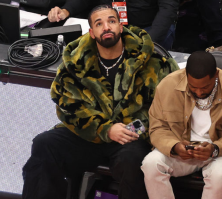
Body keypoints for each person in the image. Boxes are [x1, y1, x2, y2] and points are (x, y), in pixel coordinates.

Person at [23, 5, 179, 199]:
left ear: (121, 27)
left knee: (132, 161)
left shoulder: (152, 60)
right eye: (99, 24)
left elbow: (168, 107)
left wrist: (131, 130)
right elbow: (68, 106)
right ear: (92, 32)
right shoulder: (76, 61)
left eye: (111, 21)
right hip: (90, 134)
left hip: (129, 136)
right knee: (44, 144)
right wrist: (104, 130)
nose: (106, 27)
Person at [141, 51, 222, 199]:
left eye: (205, 87)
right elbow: (157, 127)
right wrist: (174, 146)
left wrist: (215, 149)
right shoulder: (168, 86)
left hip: (218, 153)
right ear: (186, 74)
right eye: (193, 86)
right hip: (183, 151)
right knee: (151, 164)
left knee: (220, 175)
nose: (198, 91)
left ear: (216, 75)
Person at [47, 0, 179, 50]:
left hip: (147, 27)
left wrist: (148, 41)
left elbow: (168, 9)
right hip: (110, 25)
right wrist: (65, 10)